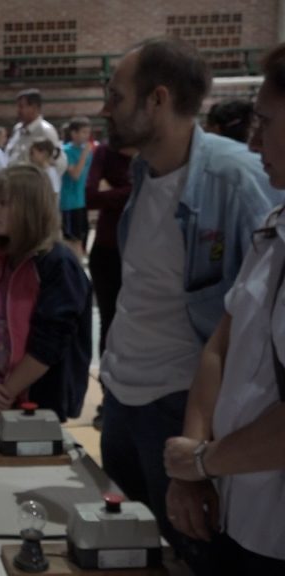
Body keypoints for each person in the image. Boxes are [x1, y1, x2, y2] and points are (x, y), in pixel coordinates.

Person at [97, 37, 280, 573]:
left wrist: (200, 452)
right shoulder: (142, 172)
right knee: (125, 551)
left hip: (177, 407)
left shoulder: (237, 178)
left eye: (116, 96)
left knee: (190, 557)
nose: (105, 109)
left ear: (157, 99)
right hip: (123, 394)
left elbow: (244, 335)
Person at [163, 43, 285, 574]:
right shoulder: (275, 228)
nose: (253, 139)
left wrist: (202, 460)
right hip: (242, 509)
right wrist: (192, 458)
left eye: (266, 122)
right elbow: (220, 346)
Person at [0, 165, 92, 423]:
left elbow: (51, 342)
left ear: (30, 209)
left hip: (36, 394)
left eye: (4, 203)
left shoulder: (58, 263)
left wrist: (5, 394)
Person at [84, 142, 135, 430]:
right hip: (107, 248)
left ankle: (133, 397)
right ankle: (109, 397)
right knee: (110, 324)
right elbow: (90, 197)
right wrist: (131, 192)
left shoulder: (151, 152)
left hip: (140, 250)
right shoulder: (104, 152)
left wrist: (112, 193)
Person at [5, 88, 68, 176]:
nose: (18, 111)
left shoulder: (46, 131)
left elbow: (58, 163)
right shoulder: (17, 129)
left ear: (34, 108)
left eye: (21, 107)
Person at [60, 117, 94, 255]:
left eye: (88, 132)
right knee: (72, 241)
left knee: (82, 239)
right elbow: (75, 175)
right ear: (74, 133)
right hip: (69, 203)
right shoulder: (65, 151)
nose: (87, 136)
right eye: (84, 132)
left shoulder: (88, 152)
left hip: (82, 201)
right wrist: (84, 155)